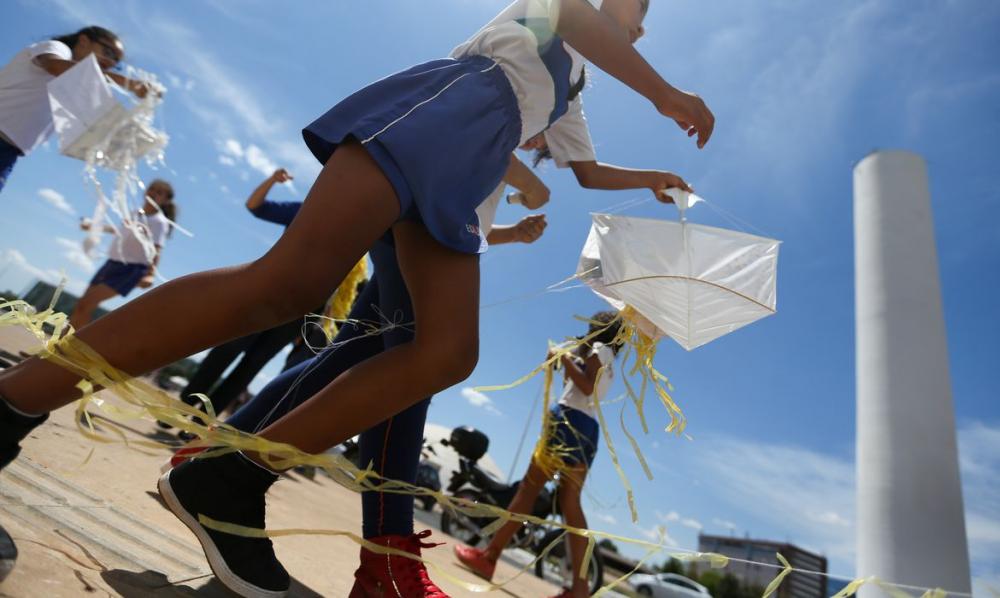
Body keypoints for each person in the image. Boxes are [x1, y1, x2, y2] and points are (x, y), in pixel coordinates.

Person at [0, 0, 712, 595]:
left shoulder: (575, 86)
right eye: (637, 10)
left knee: (444, 352)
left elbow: (583, 170)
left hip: (471, 171)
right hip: (449, 109)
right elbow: (579, 18)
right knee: (287, 285)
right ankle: (16, 403)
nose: (640, 27)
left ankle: (229, 481)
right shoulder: (555, 17)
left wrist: (650, 175)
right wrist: (665, 92)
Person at [165, 150, 551, 597]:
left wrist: (513, 231)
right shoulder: (537, 100)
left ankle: (214, 459)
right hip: (425, 216)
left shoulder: (537, 116)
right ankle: (384, 561)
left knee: (344, 361)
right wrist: (535, 184)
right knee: (418, 364)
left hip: (441, 226)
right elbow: (487, 137)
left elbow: (479, 216)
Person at [455, 311, 624, 598]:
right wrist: (568, 362)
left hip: (568, 424)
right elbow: (587, 387)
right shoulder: (609, 359)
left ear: (599, 328)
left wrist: (564, 358)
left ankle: (490, 556)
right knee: (571, 505)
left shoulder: (598, 349)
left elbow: (584, 385)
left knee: (528, 490)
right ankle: (580, 588)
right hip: (587, 429)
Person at [158, 168, 336, 437]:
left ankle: (199, 425)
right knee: (224, 352)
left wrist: (314, 324)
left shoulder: (355, 231)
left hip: (298, 313)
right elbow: (255, 206)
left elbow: (339, 284)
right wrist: (272, 181)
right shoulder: (303, 211)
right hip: (266, 293)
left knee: (249, 368)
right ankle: (182, 408)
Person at [0, 26, 149, 193]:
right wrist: (126, 82)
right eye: (108, 52)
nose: (111, 62)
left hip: (9, 153)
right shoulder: (57, 48)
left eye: (116, 62)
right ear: (84, 41)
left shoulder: (74, 87)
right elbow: (53, 65)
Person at [69, 179, 176, 329]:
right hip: (111, 263)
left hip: (131, 269)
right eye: (152, 189)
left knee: (87, 302)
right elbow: (118, 230)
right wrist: (94, 226)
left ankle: (69, 350)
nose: (153, 193)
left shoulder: (159, 222)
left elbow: (156, 249)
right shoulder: (133, 213)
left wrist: (150, 274)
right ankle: (59, 347)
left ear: (166, 200)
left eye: (159, 192)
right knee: (82, 304)